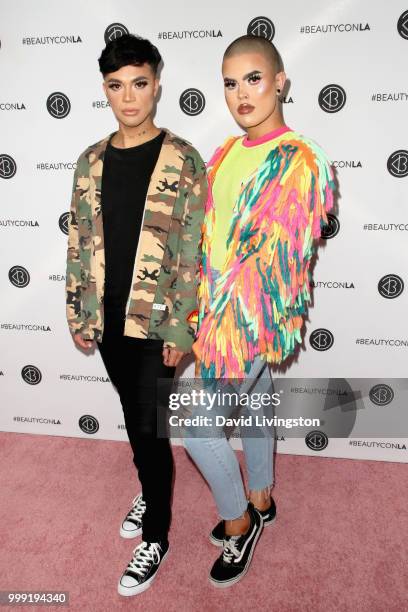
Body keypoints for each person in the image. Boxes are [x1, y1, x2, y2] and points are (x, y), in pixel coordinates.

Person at [185, 35, 335, 587]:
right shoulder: (224, 153)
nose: (241, 93)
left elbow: (270, 268)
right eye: (230, 82)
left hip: (247, 317)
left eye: (253, 78)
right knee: (257, 398)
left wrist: (212, 333)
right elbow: (208, 240)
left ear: (280, 81)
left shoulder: (298, 161)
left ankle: (240, 520)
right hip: (215, 303)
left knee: (198, 430)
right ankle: (263, 492)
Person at [65, 33, 207, 596]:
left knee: (149, 427)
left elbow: (196, 250)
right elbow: (78, 241)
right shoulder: (90, 161)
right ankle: (152, 488)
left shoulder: (183, 158)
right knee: (133, 413)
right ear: (105, 89)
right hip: (107, 319)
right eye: (117, 86)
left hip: (158, 323)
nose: (129, 98)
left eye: (139, 84)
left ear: (156, 85)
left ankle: (157, 535)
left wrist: (183, 325)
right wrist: (79, 311)